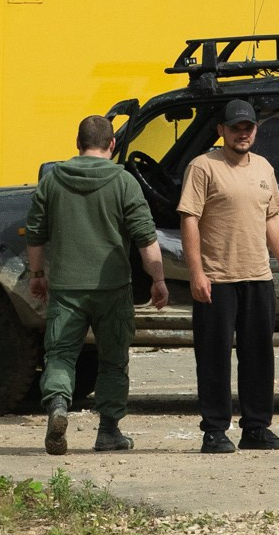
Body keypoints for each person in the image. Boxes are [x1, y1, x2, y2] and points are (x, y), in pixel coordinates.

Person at [26, 114, 171, 456]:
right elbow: (145, 238)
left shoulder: (53, 180)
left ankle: (59, 407)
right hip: (113, 288)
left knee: (60, 354)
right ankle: (108, 431)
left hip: (65, 287)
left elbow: (35, 233)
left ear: (77, 144)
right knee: (113, 359)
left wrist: (37, 275)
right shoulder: (124, 182)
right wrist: (159, 279)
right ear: (112, 145)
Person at [180, 99, 279, 454]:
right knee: (214, 357)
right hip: (217, 279)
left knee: (259, 355)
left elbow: (271, 218)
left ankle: (256, 428)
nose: (243, 133)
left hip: (258, 276)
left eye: (248, 127)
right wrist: (196, 273)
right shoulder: (203, 167)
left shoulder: (264, 167)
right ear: (221, 131)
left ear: (255, 130)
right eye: (235, 128)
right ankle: (215, 431)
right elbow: (189, 219)